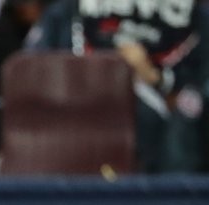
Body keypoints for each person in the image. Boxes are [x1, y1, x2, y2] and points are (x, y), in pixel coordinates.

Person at [25, 0, 208, 173]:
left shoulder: (193, 16)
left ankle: (176, 202)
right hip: (80, 105)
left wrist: (157, 78)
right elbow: (30, 73)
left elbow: (198, 80)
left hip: (159, 110)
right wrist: (103, 69)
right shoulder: (67, 11)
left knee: (183, 119)